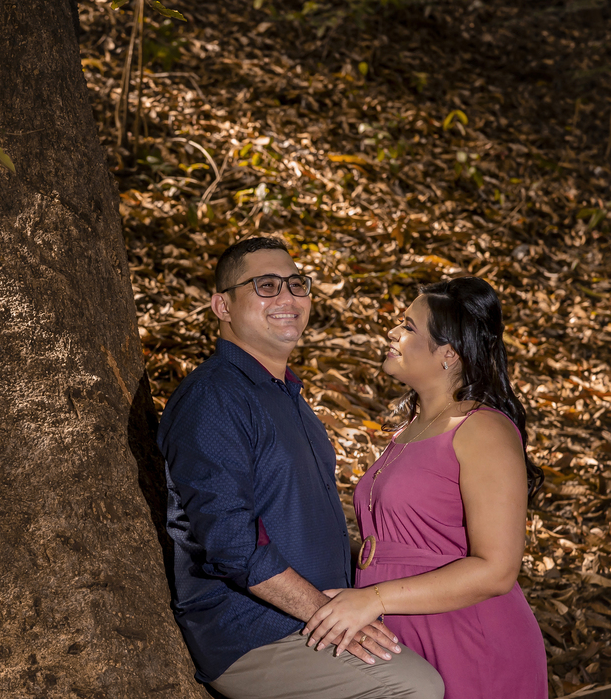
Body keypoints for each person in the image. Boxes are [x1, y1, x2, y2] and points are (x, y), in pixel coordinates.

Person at [157, 237, 445, 699]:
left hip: (311, 617)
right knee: (412, 690)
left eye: (297, 284)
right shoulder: (215, 398)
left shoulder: (288, 397)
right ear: (222, 306)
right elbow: (231, 544)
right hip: (252, 630)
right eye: (266, 286)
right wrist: (322, 611)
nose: (288, 297)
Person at [301, 277, 548, 699]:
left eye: (408, 326)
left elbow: (497, 569)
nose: (392, 333)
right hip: (398, 632)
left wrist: (374, 599)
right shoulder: (408, 432)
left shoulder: (482, 430)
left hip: (469, 638)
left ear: (448, 354)